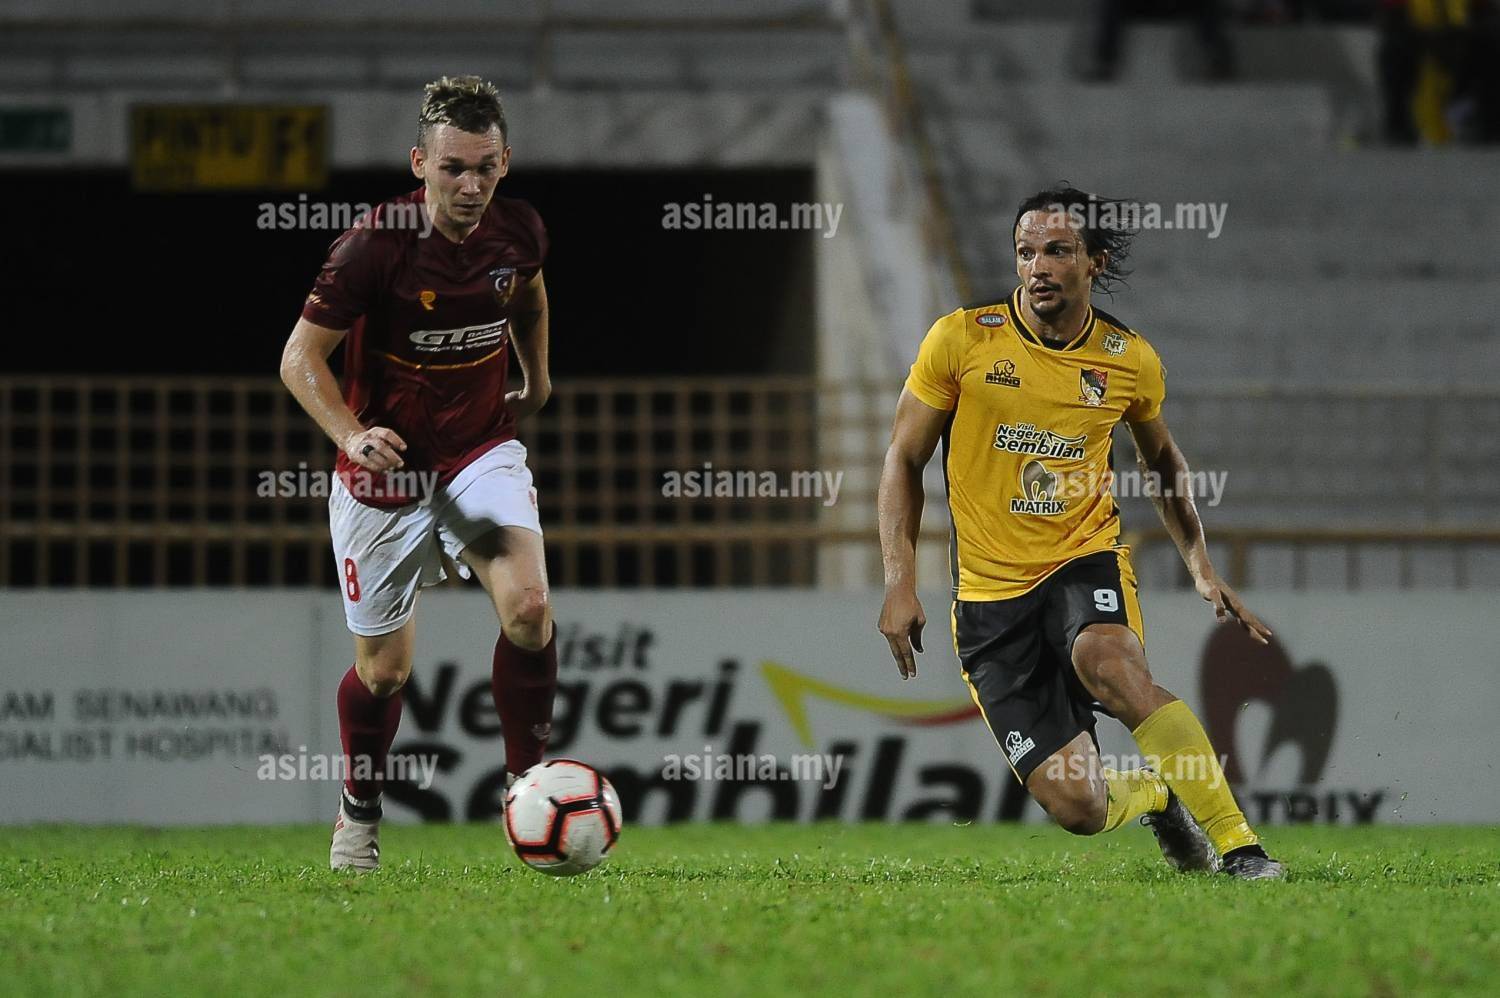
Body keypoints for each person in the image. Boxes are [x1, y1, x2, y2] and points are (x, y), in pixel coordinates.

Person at [875, 186, 1285, 879]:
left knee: (1113, 665)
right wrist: (899, 581)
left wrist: (1201, 567)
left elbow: (1162, 461)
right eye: (1025, 252)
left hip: (1082, 563)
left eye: (1057, 251)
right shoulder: (962, 340)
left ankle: (1241, 847)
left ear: (1093, 262)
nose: (1037, 266)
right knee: (1079, 808)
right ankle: (1156, 795)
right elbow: (903, 459)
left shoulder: (1129, 359)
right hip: (989, 603)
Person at [280, 75, 556, 871]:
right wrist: (351, 432)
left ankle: (527, 785)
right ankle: (359, 812)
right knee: (386, 670)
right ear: (419, 165)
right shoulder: (373, 248)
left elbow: (530, 295)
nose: (470, 185)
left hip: (478, 450)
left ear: (505, 163)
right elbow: (300, 359)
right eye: (453, 169)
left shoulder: (520, 230)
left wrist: (538, 377)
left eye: (486, 167)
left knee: (530, 609)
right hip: (390, 474)